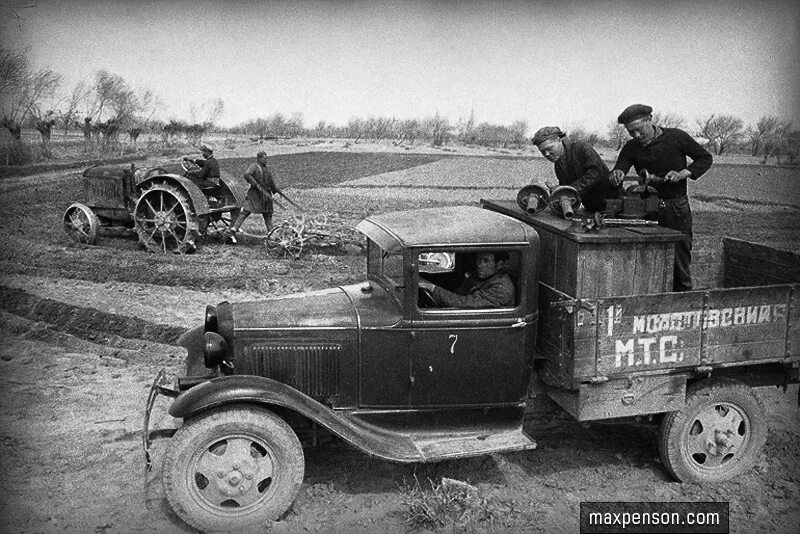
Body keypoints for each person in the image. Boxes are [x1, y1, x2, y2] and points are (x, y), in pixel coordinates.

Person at [609, 104, 713, 292]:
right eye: (631, 132)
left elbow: (705, 158)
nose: (636, 136)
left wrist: (684, 173)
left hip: (676, 207)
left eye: (639, 130)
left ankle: (683, 299)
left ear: (650, 119)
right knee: (649, 256)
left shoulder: (677, 137)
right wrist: (617, 173)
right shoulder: (631, 147)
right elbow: (621, 166)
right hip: (647, 208)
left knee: (679, 257)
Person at [532, 126, 620, 213]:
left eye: (549, 148)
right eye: (542, 151)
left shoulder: (581, 147)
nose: (547, 154)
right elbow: (567, 192)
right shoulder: (558, 164)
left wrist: (569, 189)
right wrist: (556, 193)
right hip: (592, 209)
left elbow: (596, 172)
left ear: (559, 140)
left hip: (616, 204)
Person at [418, 251, 514, 308]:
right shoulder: (479, 277)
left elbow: (465, 303)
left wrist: (432, 288)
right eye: (479, 259)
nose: (480, 265)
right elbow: (460, 293)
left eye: (486, 261)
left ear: (499, 265)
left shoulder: (502, 288)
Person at [230, 151, 280, 238]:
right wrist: (255, 184)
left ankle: (270, 233)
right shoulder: (254, 166)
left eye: (267, 158)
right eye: (265, 158)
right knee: (246, 211)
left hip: (266, 194)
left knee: (268, 214)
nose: (266, 160)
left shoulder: (266, 168)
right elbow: (247, 175)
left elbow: (270, 181)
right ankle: (235, 227)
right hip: (255, 194)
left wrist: (275, 189)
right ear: (260, 158)